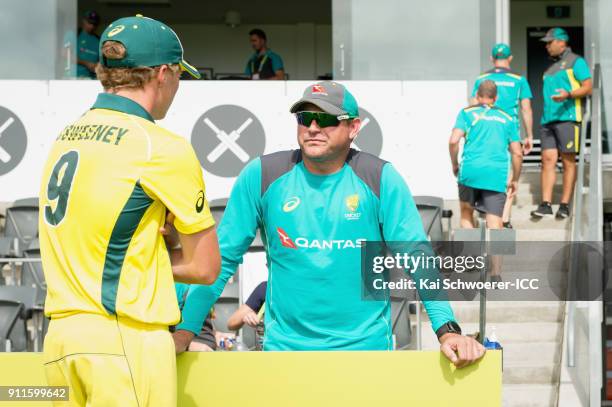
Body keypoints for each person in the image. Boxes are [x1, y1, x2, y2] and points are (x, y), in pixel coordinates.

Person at [176, 81, 484, 367]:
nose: (312, 128)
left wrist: (447, 330)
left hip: (365, 354)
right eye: (304, 118)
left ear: (353, 127)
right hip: (285, 354)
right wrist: (187, 330)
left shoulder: (380, 178)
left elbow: (418, 258)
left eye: (326, 120)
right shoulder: (261, 175)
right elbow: (221, 260)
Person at [39, 15, 221, 407]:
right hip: (124, 340)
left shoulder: (66, 134)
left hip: (59, 339)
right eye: (178, 77)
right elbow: (205, 267)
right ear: (162, 73)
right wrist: (162, 250)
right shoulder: (161, 146)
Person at [531, 27, 592, 219]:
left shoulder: (576, 61)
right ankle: (546, 204)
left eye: (550, 42)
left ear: (561, 42)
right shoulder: (550, 68)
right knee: (547, 161)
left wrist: (569, 94)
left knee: (568, 161)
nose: (547, 46)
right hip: (548, 121)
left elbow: (588, 87)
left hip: (568, 119)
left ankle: (564, 205)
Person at [471, 43, 534, 228]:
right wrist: (529, 135)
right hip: (509, 131)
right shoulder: (519, 80)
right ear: (510, 58)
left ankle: (485, 209)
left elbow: (474, 106)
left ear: (492, 59)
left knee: (484, 166)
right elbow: (526, 108)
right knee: (507, 176)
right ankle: (504, 219)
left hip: (486, 133)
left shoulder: (481, 78)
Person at [450, 80, 523, 231]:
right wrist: (515, 179)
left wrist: (455, 164)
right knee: (496, 223)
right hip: (496, 174)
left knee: (466, 215)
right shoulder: (508, 118)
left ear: (477, 95)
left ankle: (470, 255)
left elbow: (453, 141)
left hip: (470, 171)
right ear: (496, 98)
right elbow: (517, 153)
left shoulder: (466, 113)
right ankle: (496, 255)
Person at [77, 11, 101, 79]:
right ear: (84, 21)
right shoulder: (75, 34)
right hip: (73, 78)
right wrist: (86, 63)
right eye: (90, 22)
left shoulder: (98, 40)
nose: (92, 26)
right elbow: (65, 56)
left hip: (91, 79)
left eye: (94, 24)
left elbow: (100, 61)